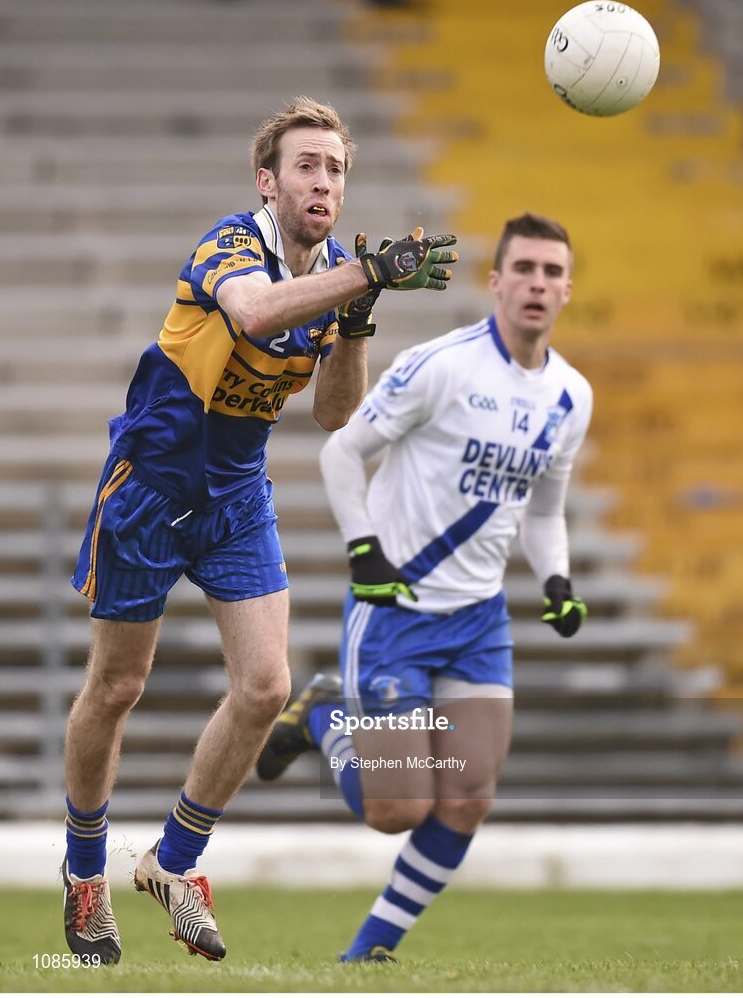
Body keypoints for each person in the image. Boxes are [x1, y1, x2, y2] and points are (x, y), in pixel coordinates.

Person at [61, 94, 458, 965]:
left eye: (337, 168)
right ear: (268, 182)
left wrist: (357, 320)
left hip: (238, 496)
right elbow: (250, 314)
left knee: (267, 687)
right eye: (307, 166)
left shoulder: (338, 277)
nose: (323, 180)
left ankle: (173, 863)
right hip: (149, 491)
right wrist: (368, 276)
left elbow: (334, 413)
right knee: (118, 688)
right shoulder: (230, 244)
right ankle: (85, 871)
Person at [257, 212, 592, 962]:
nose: (537, 283)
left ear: (566, 291)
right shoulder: (441, 366)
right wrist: (363, 551)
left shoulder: (571, 397)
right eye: (525, 269)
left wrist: (557, 579)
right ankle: (320, 719)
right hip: (395, 611)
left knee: (468, 797)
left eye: (552, 272)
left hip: (478, 621)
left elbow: (543, 510)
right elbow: (343, 454)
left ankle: (370, 951)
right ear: (496, 281)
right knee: (398, 808)